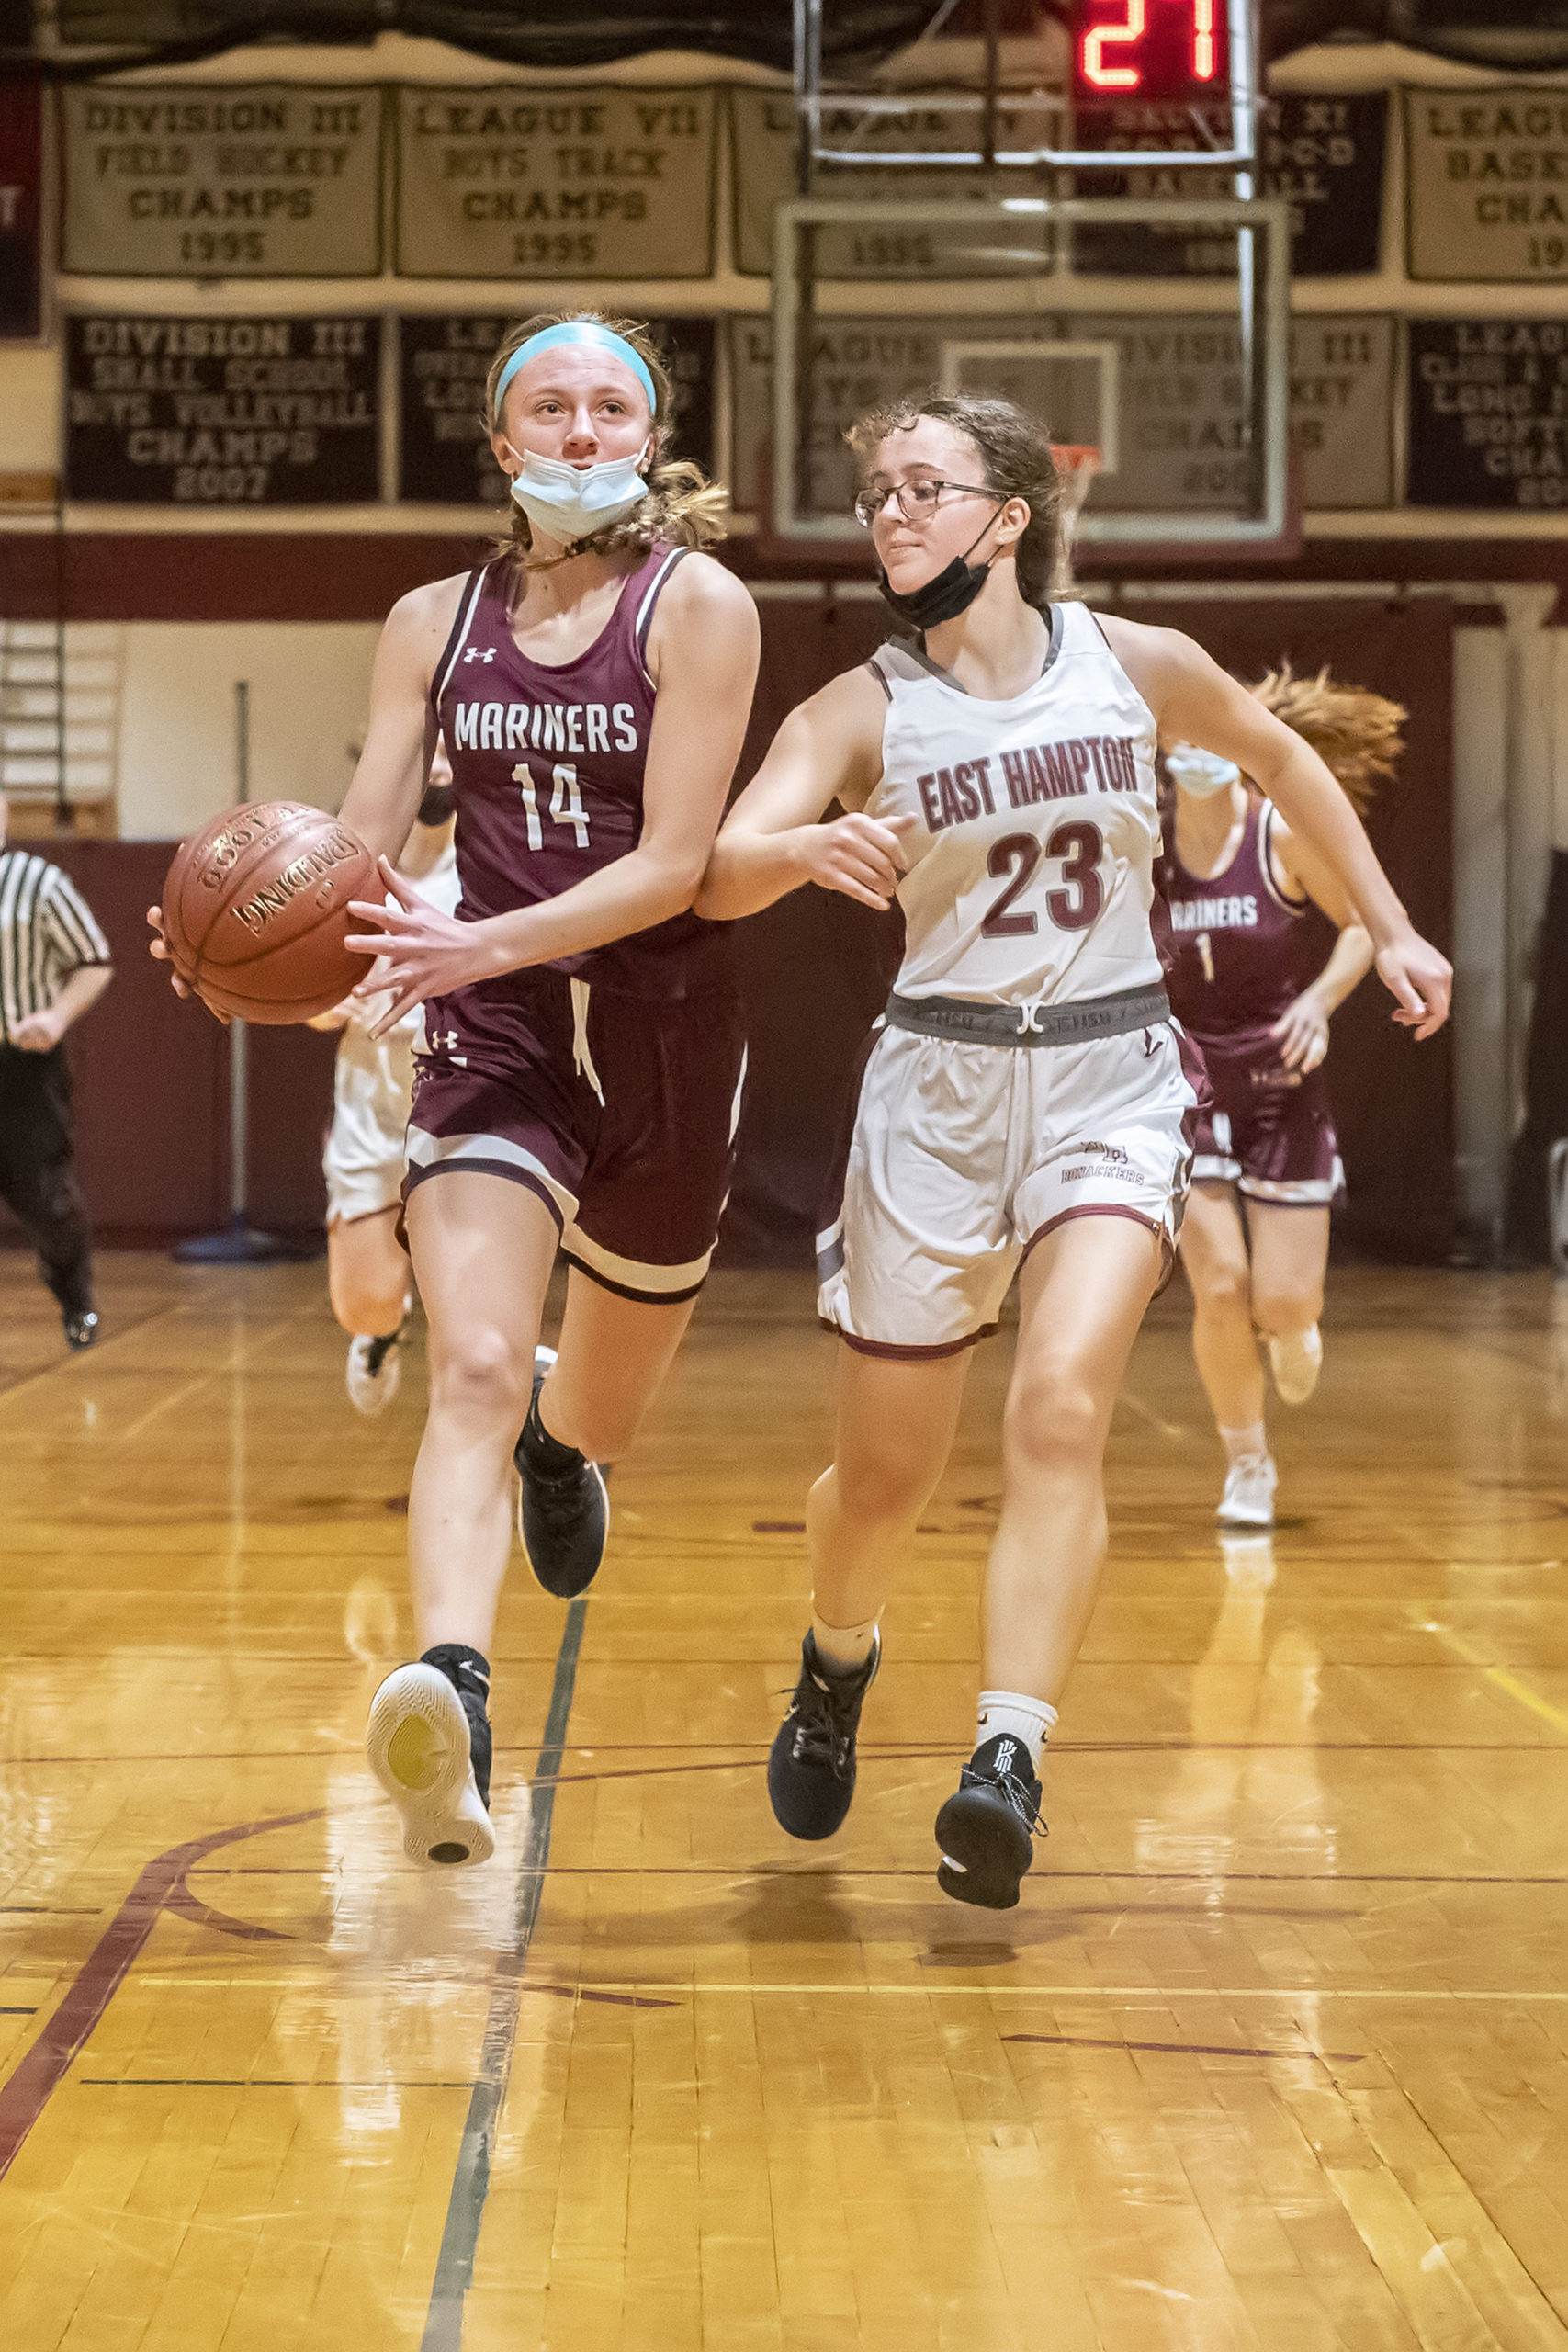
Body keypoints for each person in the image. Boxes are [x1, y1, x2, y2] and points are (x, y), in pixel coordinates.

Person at [694, 391, 1450, 1911]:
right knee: (884, 1480)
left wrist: (1387, 922)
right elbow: (713, 872)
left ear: (1008, 517)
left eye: (925, 486)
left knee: (1056, 1406)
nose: (893, 511)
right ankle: (835, 1658)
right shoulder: (855, 710)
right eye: (878, 494)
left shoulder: (1134, 665)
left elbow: (1287, 767)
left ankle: (1007, 1757)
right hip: (935, 1093)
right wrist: (789, 851)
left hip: (1110, 1075)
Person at [326, 310, 754, 1869]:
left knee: (591, 1401)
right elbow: (362, 837)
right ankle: (451, 1696)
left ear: (648, 437)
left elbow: (673, 867)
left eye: (610, 408)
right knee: (475, 1363)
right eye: (550, 409)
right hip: (492, 1026)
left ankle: (566, 1455)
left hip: (659, 1023)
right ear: (501, 443)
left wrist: (467, 935)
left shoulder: (697, 606)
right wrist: (254, 942)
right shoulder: (430, 620)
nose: (581, 432)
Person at [1162, 666, 1404, 1528]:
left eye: (1211, 739)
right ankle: (1246, 1463)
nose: (1197, 753)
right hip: (1182, 1086)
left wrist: (1317, 1000)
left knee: (1280, 1301)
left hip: (1279, 1082)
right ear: (1163, 749)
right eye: (1180, 739)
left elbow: (1360, 932)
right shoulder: (1144, 846)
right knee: (1219, 1284)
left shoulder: (1278, 835)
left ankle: (1297, 1327)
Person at [311, 741, 460, 1416]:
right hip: (372, 1098)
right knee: (364, 1304)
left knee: (469, 1316)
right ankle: (382, 1331)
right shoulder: (345, 864)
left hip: (465, 1093)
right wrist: (316, 1003)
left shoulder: (497, 861)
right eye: (423, 753)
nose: (435, 769)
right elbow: (308, 996)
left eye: (447, 753)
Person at [0, 794, 114, 1349]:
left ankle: (75, 1299)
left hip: (24, 1066)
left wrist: (56, 1014)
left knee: (48, 1202)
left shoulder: (37, 882)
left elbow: (95, 961)